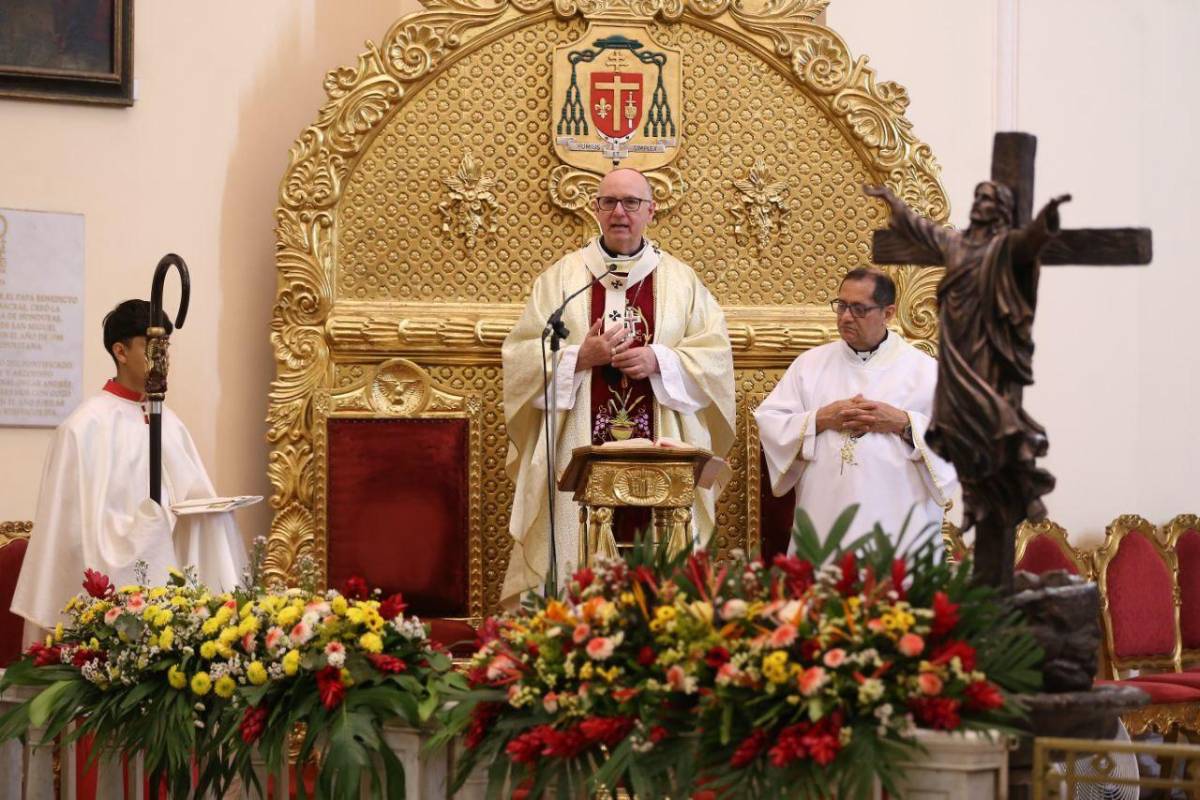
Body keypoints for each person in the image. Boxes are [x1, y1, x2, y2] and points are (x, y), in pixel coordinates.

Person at [501, 168, 736, 603]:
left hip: (662, 449)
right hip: (577, 444)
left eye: (631, 203)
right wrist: (578, 358)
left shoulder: (682, 282)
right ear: (595, 209)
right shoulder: (561, 281)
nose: (619, 213)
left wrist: (660, 360)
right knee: (574, 565)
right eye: (608, 202)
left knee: (660, 583)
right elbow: (520, 358)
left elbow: (716, 360)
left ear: (651, 210)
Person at [11, 299, 247, 637]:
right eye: (152, 346)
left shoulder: (169, 422)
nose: (163, 358)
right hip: (109, 604)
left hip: (171, 592)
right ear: (120, 351)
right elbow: (72, 535)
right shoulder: (83, 428)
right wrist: (145, 531)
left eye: (166, 346)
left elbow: (193, 502)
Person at [864, 182, 1070, 536]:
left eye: (988, 200)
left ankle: (1026, 487)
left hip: (989, 346)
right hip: (956, 347)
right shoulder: (954, 244)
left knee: (999, 415)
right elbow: (919, 229)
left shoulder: (1002, 248)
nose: (979, 205)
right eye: (977, 198)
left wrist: (1045, 220)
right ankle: (978, 502)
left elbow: (1029, 243)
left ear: (1000, 211)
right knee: (959, 428)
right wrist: (893, 202)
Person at [754, 267, 957, 546]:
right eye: (842, 306)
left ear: (887, 313)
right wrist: (820, 419)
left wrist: (904, 423)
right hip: (826, 520)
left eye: (859, 309)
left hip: (900, 526)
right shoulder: (810, 365)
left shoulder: (926, 371)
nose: (846, 317)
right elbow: (771, 421)